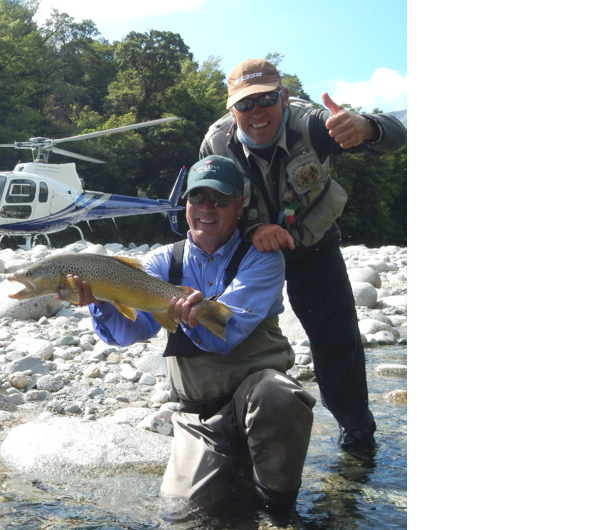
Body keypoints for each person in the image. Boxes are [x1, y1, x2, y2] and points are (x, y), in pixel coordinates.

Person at [61, 155, 316, 517]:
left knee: (279, 394)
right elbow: (130, 332)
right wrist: (100, 300)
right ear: (186, 205)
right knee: (183, 517)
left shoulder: (262, 258)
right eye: (197, 198)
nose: (206, 208)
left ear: (239, 205)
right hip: (198, 418)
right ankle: (235, 470)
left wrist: (193, 319)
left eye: (219, 199)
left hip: (256, 398)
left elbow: (225, 331)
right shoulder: (162, 262)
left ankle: (278, 510)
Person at [199, 58, 407, 460]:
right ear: (231, 110)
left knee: (338, 344)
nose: (256, 112)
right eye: (245, 105)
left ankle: (357, 440)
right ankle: (235, 433)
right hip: (251, 252)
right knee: (231, 335)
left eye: (266, 99)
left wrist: (368, 127)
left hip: (314, 246)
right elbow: (212, 209)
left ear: (284, 96)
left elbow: (399, 135)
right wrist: (250, 230)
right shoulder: (216, 145)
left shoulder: (313, 124)